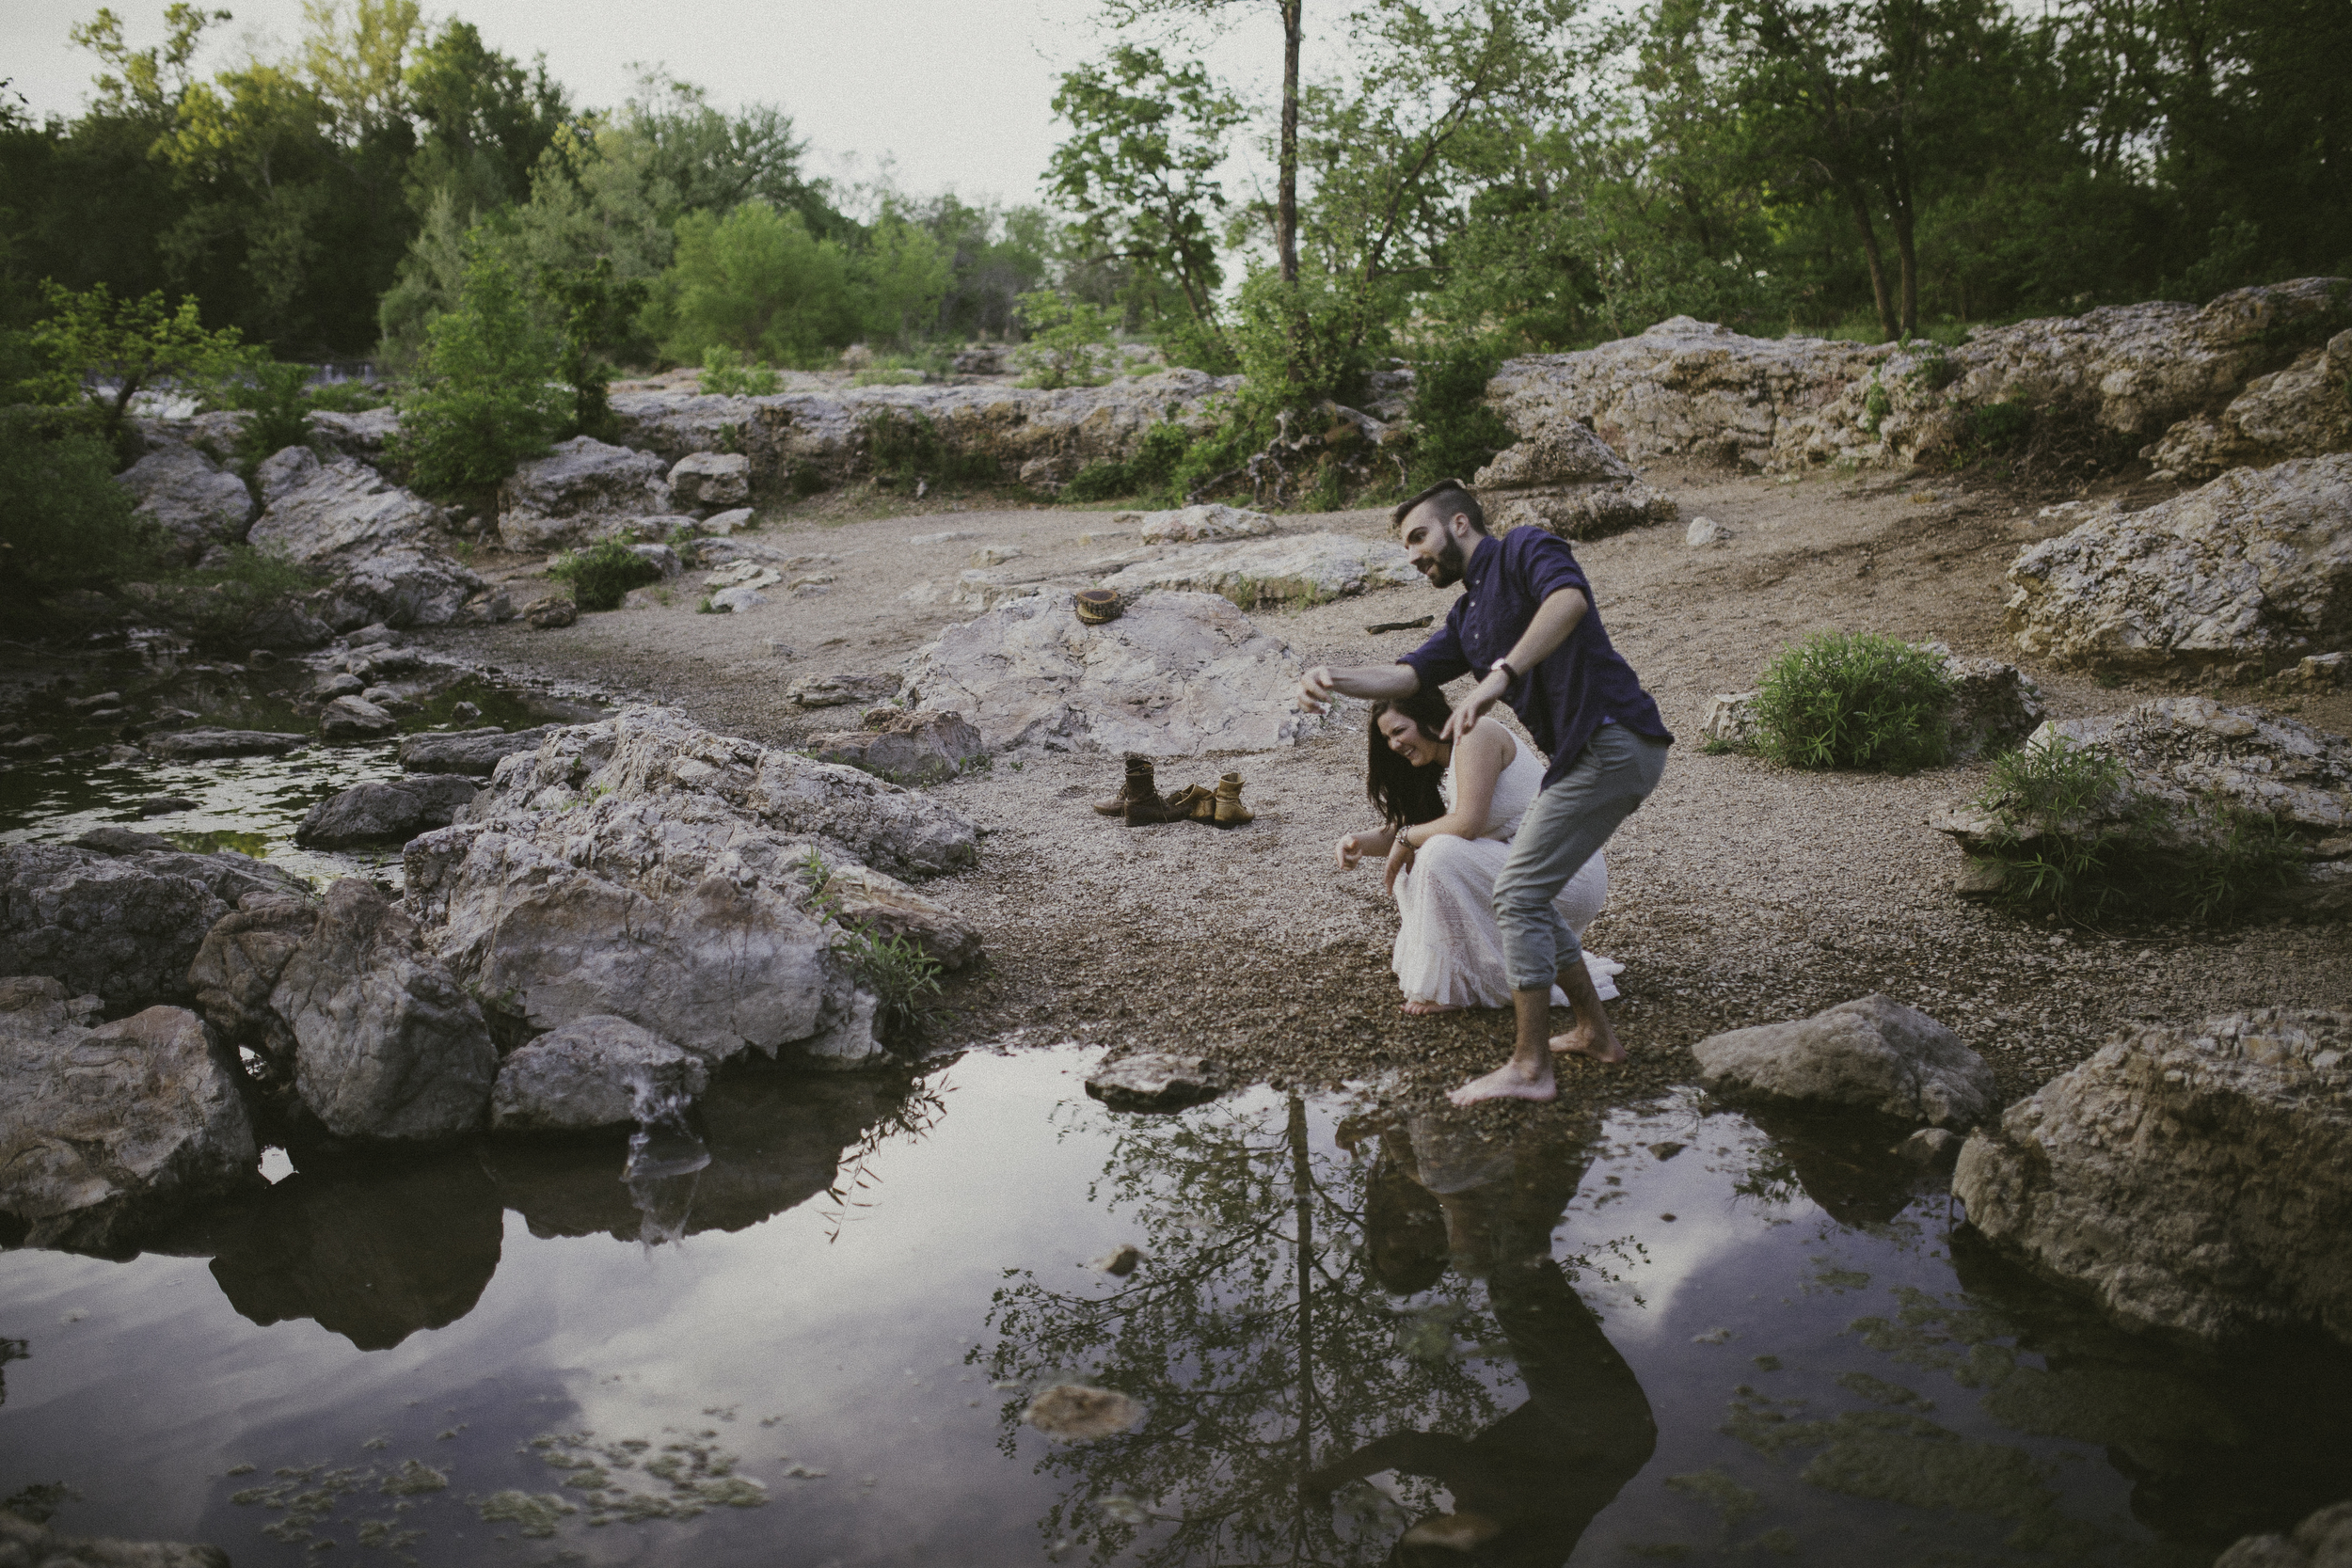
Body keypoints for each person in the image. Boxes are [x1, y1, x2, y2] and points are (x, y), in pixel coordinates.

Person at [1299, 480, 1672, 1106]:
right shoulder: (1468, 616)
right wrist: (1332, 677)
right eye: (1407, 545)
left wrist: (1497, 678)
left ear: (1461, 523)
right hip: (1581, 760)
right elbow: (1406, 674)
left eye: (1420, 536)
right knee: (1525, 890)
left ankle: (1529, 1068)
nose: (1414, 554)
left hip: (1616, 737)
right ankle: (1594, 1033)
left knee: (1519, 892)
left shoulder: (1526, 549)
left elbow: (1569, 602)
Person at [1336, 685, 1623, 1016]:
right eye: (1388, 738)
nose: (1394, 744)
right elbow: (1423, 827)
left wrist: (1406, 837)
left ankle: (1456, 988)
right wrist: (1357, 841)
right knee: (1416, 858)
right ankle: (1461, 979)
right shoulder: (1439, 764)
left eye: (1399, 731)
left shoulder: (1475, 733)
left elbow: (1466, 824)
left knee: (1439, 852)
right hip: (1523, 869)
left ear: (1428, 719)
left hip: (1569, 874)